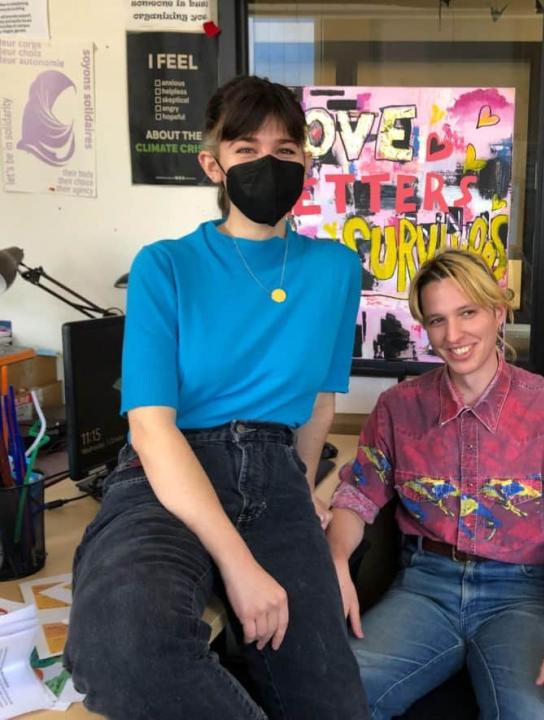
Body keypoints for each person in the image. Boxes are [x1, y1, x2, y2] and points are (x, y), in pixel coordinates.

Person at [63, 76, 368, 720]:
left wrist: (301, 492)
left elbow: (317, 404)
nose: (269, 164)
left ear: (308, 164)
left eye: (287, 151)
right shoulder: (165, 265)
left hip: (277, 471)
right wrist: (240, 563)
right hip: (169, 473)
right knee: (122, 649)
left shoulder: (337, 269)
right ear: (213, 164)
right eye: (247, 149)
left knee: (332, 700)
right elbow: (150, 427)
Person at [325, 249, 544, 720]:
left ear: (498, 311)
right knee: (328, 696)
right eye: (438, 320)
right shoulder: (399, 407)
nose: (454, 335)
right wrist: (337, 556)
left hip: (523, 594)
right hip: (424, 587)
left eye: (468, 313)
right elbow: (356, 496)